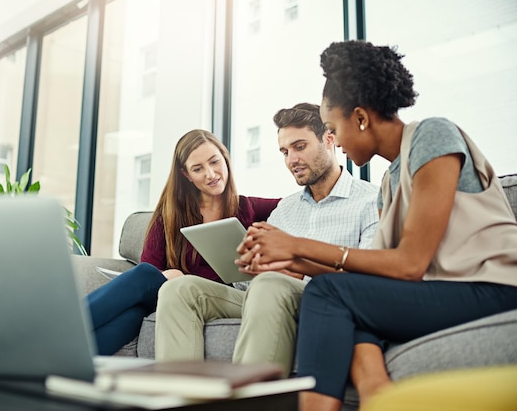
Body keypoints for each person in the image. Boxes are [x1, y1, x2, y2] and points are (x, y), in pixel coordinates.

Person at [237, 40, 517, 411]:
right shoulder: (389, 183)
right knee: (338, 293)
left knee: (326, 293)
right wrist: (281, 258)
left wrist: (298, 246)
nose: (335, 140)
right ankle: (377, 396)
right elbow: (376, 275)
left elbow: (410, 263)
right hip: (439, 294)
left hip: (492, 287)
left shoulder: (432, 135)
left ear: (361, 118)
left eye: (334, 127)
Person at [154, 103, 379, 376]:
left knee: (271, 284)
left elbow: (369, 280)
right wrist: (253, 265)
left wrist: (293, 267)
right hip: (260, 294)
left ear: (329, 139)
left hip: (322, 298)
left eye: (299, 146)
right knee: (179, 290)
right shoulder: (285, 208)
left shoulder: (369, 201)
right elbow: (244, 280)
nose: (291, 159)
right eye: (285, 151)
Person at [87, 129, 280, 355]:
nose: (210, 174)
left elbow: (298, 205)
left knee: (138, 302)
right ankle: (63, 364)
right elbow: (150, 266)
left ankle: (56, 333)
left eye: (215, 162)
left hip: (215, 296)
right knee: (139, 300)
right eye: (198, 169)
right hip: (169, 294)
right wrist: (170, 275)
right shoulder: (170, 214)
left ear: (225, 159)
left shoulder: (248, 207)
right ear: (186, 175)